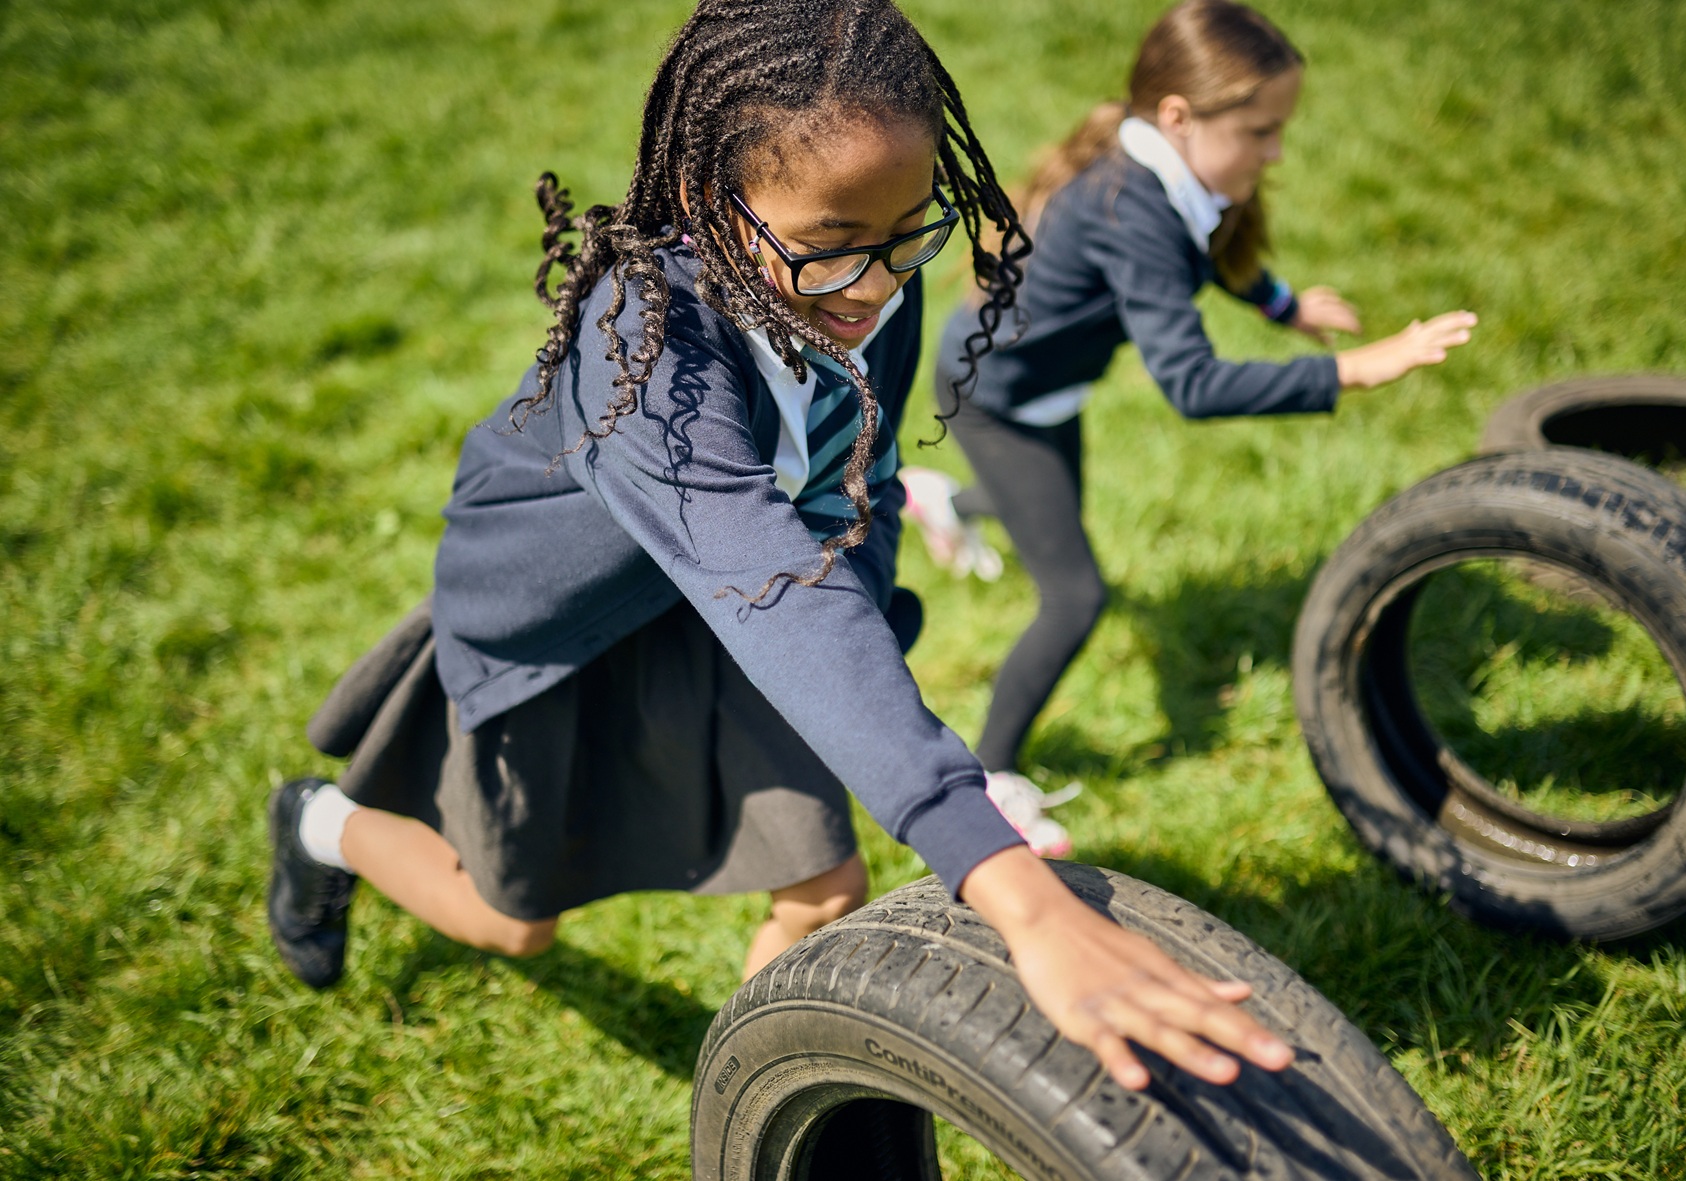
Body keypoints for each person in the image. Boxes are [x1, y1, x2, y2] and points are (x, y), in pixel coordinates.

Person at [267, 0, 1293, 1092]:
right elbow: (766, 580)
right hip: (560, 633)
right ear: (714, 201)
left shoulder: (863, 273)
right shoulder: (641, 350)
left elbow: (865, 481)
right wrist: (1013, 888)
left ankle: (746, 1110)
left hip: (730, 600)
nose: (879, 286)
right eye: (833, 250)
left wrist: (883, 663)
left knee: (822, 884)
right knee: (512, 920)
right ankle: (319, 821)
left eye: (912, 236)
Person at [906, 0, 1477, 799]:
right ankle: (986, 781)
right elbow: (1194, 384)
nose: (1275, 152)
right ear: (1178, 117)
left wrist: (1285, 307)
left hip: (1040, 385)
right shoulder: (1129, 208)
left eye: (1280, 129)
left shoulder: (1164, 173)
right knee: (1074, 594)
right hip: (993, 397)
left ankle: (937, 499)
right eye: (1260, 131)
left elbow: (1210, 251)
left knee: (1046, 512)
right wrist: (1353, 369)